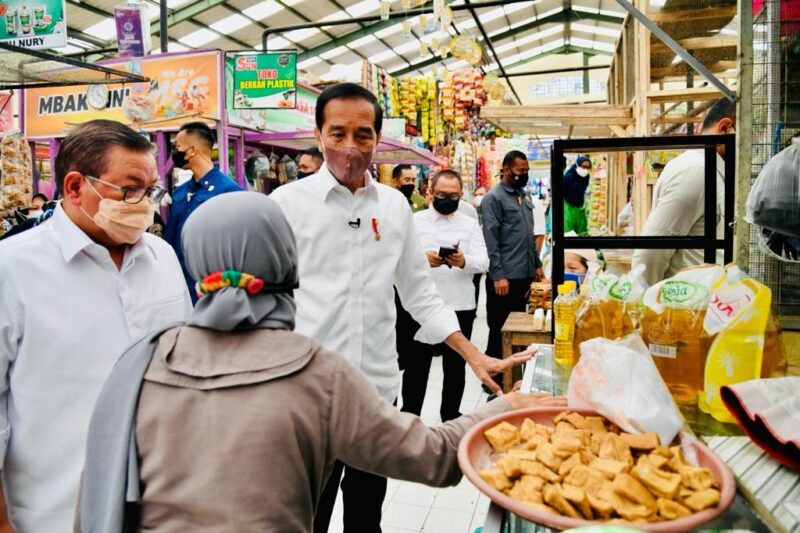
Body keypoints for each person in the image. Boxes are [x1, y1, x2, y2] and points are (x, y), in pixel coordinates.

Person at [76, 192, 565, 533]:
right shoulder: (311, 371)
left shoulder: (141, 363)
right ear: (286, 260)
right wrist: (505, 409)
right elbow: (433, 458)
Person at [269, 83, 530, 533]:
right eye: (337, 134)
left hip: (375, 389)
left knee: (367, 512)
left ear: (377, 138)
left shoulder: (393, 208)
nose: (350, 147)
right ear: (317, 134)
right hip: (306, 393)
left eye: (363, 135)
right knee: (307, 513)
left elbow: (420, 294)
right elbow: (269, 300)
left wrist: (473, 355)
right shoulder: (284, 207)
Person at [0, 119, 191, 532]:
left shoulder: (163, 258)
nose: (145, 203)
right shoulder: (12, 269)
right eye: (129, 189)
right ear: (74, 187)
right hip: (54, 512)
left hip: (162, 506)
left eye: (152, 189)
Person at [400, 169, 489, 422]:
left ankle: (450, 418)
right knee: (417, 367)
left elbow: (483, 262)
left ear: (461, 196)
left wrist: (463, 261)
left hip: (459, 304)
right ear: (430, 193)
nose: (447, 199)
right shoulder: (414, 222)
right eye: (441, 194)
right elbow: (398, 259)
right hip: (419, 305)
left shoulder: (470, 225)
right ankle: (410, 419)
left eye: (453, 196)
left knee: (455, 367)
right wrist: (422, 259)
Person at [633, 98, 736, 286]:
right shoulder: (697, 171)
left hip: (705, 306)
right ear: (725, 128)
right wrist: (645, 305)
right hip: (685, 307)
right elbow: (652, 252)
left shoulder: (714, 172)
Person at [481, 150, 545, 388]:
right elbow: (491, 239)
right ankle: (493, 379)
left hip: (524, 276)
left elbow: (529, 237)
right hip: (504, 279)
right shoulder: (493, 199)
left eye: (527, 171)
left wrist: (537, 265)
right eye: (521, 171)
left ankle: (514, 377)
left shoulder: (523, 197)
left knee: (518, 329)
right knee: (499, 330)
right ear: (506, 170)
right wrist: (498, 275)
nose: (524, 175)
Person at [165, 121, 242, 302]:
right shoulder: (180, 191)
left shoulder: (229, 192)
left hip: (212, 290)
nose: (175, 152)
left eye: (178, 147)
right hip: (178, 287)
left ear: (192, 150)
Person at [563, 155, 592, 236]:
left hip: (580, 210)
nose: (585, 169)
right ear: (577, 165)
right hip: (567, 210)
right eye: (583, 166)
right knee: (568, 235)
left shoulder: (587, 178)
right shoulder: (567, 178)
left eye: (588, 167)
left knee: (582, 235)